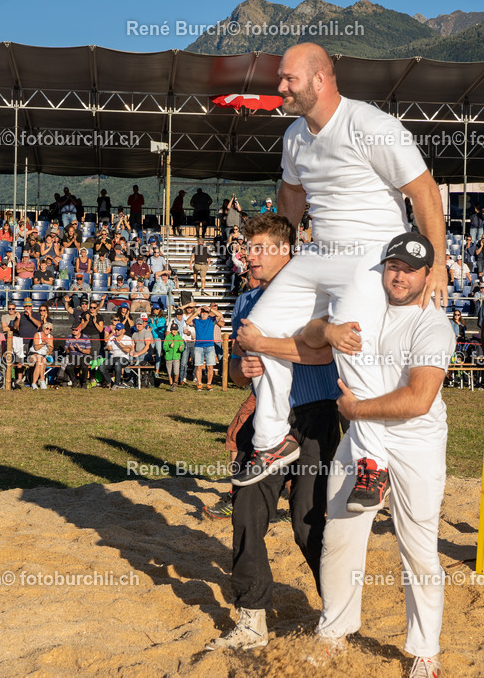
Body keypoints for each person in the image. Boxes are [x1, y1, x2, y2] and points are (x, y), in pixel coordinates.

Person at [235, 43, 447, 505]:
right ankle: (271, 440)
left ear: (319, 79)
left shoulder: (371, 126)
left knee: (350, 344)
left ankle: (373, 464)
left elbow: (425, 193)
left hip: (370, 255)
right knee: (258, 328)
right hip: (319, 252)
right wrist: (285, 247)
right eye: (280, 78)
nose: (280, 86)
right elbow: (291, 194)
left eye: (288, 78)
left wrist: (438, 265)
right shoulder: (295, 135)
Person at [306, 231, 453, 676]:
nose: (400, 276)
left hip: (416, 441)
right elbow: (309, 333)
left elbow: (418, 399)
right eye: (394, 266)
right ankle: (334, 632)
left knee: (419, 547)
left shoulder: (433, 325)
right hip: (364, 437)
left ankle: (425, 652)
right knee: (341, 535)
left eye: (410, 269)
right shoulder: (364, 302)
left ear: (429, 275)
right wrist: (328, 330)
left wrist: (354, 410)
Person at [207, 212, 341, 652]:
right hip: (267, 419)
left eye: (262, 247)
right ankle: (251, 620)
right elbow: (232, 367)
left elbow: (322, 357)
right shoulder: (245, 303)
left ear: (288, 252)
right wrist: (241, 366)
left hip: (315, 416)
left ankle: (337, 615)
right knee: (246, 513)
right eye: (249, 247)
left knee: (308, 523)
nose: (251, 255)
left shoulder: (315, 297)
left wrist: (264, 346)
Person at [193, 305, 224, 390]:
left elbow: (220, 316)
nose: (204, 313)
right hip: (198, 346)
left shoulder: (212, 320)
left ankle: (209, 384)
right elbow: (188, 322)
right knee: (199, 366)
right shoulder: (196, 321)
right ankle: (199, 384)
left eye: (205, 312)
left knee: (210, 366)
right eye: (202, 311)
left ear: (208, 313)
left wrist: (210, 309)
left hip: (210, 346)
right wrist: (196, 312)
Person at [64, 322, 93, 388]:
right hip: (73, 356)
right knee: (69, 367)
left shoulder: (85, 337)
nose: (74, 331)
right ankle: (74, 382)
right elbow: (66, 351)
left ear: (80, 329)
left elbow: (88, 351)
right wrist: (69, 348)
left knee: (84, 366)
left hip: (83, 355)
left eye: (76, 330)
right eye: (73, 329)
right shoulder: (69, 337)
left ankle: (84, 382)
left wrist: (80, 349)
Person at [28, 322, 54, 389]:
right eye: (47, 328)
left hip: (43, 356)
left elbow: (51, 350)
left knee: (42, 360)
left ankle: (38, 381)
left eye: (50, 329)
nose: (48, 330)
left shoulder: (50, 337)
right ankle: (38, 381)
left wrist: (48, 345)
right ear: (43, 328)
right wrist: (43, 343)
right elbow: (36, 348)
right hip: (33, 354)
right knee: (40, 360)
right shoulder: (37, 335)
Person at [162, 321, 184, 390]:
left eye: (176, 330)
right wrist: (169, 347)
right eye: (173, 330)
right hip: (168, 357)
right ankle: (171, 384)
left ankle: (175, 382)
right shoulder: (167, 337)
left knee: (176, 371)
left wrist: (181, 349)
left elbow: (182, 346)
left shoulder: (179, 338)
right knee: (169, 372)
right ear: (171, 330)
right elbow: (164, 347)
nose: (174, 331)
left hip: (176, 357)